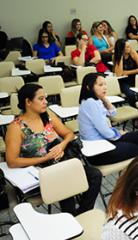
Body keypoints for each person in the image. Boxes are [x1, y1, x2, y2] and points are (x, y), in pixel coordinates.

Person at [5, 83, 102, 216]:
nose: (46, 102)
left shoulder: (47, 115)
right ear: (28, 102)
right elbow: (12, 161)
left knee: (95, 175)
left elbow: (69, 134)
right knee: (64, 181)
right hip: (39, 171)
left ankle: (81, 214)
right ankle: (72, 217)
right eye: (41, 99)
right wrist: (45, 158)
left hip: (61, 164)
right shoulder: (16, 127)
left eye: (45, 98)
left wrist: (61, 145)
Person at [78, 73, 138, 166]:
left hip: (104, 141)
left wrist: (104, 99)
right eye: (100, 85)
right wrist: (117, 135)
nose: (105, 87)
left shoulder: (94, 100)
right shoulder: (91, 103)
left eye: (105, 84)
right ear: (88, 87)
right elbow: (104, 131)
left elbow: (112, 113)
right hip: (98, 151)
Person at [112, 39, 138, 107]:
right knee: (130, 94)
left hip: (135, 78)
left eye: (129, 46)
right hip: (124, 81)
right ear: (121, 48)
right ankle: (134, 109)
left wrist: (128, 72)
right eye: (127, 47)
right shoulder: (116, 56)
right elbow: (119, 74)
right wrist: (120, 56)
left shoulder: (133, 53)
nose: (129, 48)